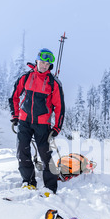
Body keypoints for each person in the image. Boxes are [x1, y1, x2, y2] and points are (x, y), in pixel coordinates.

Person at [9, 48, 65, 194]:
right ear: (37, 61)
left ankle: (50, 186)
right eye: (42, 62)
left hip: (42, 124)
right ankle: (28, 181)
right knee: (22, 151)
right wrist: (15, 116)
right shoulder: (25, 77)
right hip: (24, 121)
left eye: (47, 64)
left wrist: (57, 127)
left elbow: (59, 107)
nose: (44, 65)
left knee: (45, 154)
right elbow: (14, 97)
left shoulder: (53, 83)